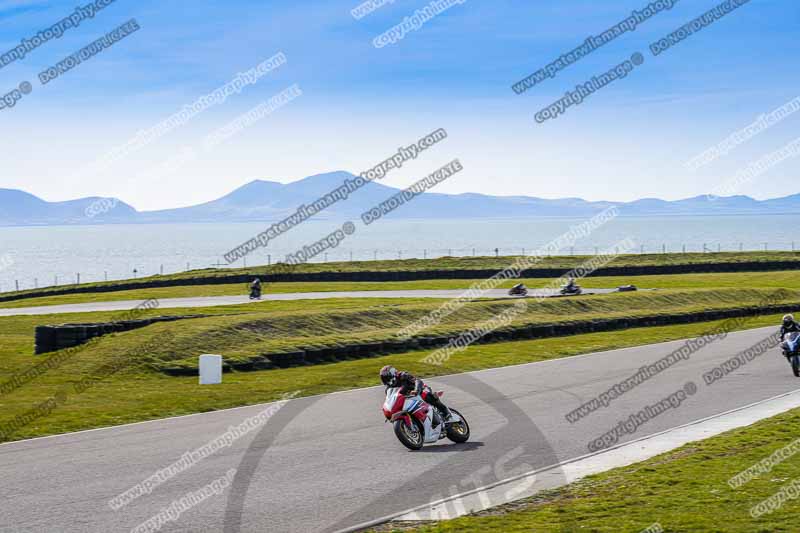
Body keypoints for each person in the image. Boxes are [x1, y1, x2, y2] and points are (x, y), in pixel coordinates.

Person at [380, 365, 452, 424]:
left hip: (419, 390)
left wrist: (416, 390)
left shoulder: (403, 375)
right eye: (385, 379)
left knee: (425, 394)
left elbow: (417, 381)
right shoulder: (389, 389)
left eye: (387, 378)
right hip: (407, 399)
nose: (387, 380)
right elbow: (390, 399)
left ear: (392, 375)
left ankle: (445, 411)